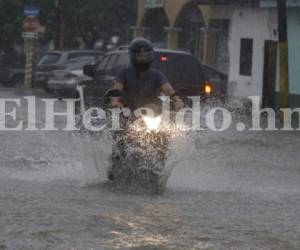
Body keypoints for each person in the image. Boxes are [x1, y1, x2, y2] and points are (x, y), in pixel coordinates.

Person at [110, 37, 184, 111]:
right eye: (139, 56)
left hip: (150, 111)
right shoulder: (124, 73)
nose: (143, 59)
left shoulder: (157, 75)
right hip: (127, 111)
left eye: (145, 56)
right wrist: (115, 102)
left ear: (150, 56)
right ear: (133, 56)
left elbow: (168, 89)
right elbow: (117, 90)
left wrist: (177, 100)